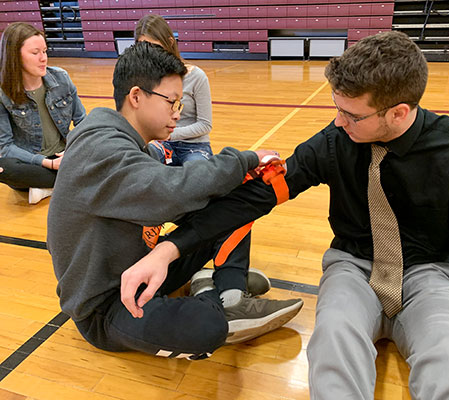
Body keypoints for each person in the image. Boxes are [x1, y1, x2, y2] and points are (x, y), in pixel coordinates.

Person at [137, 32, 449, 398]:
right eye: (337, 108)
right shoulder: (334, 142)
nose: (337, 122)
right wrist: (169, 249)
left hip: (428, 274)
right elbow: (252, 199)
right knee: (329, 348)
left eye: (351, 114)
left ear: (398, 112)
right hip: (352, 269)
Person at [47, 42, 303, 360]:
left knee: (231, 201)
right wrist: (244, 160)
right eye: (172, 102)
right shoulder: (100, 148)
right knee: (206, 328)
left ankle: (231, 291)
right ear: (137, 97)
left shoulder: (125, 139)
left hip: (144, 268)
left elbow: (184, 190)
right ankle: (214, 292)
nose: (177, 113)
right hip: (107, 306)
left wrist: (232, 178)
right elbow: (169, 193)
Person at [0, 22, 86, 203]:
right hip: (34, 162)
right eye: (35, 53)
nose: (43, 58)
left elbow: (82, 122)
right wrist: (48, 163)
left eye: (45, 51)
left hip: (66, 154)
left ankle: (50, 186)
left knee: (97, 147)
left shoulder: (61, 78)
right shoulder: (2, 93)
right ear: (15, 56)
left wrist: (72, 148)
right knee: (3, 167)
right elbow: (5, 147)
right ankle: (72, 180)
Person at [135, 14, 213, 166]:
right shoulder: (144, 78)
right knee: (141, 166)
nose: (150, 54)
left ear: (170, 43)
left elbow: (205, 125)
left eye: (155, 47)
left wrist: (169, 135)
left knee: (196, 175)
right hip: (160, 143)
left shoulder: (196, 76)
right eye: (143, 47)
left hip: (194, 146)